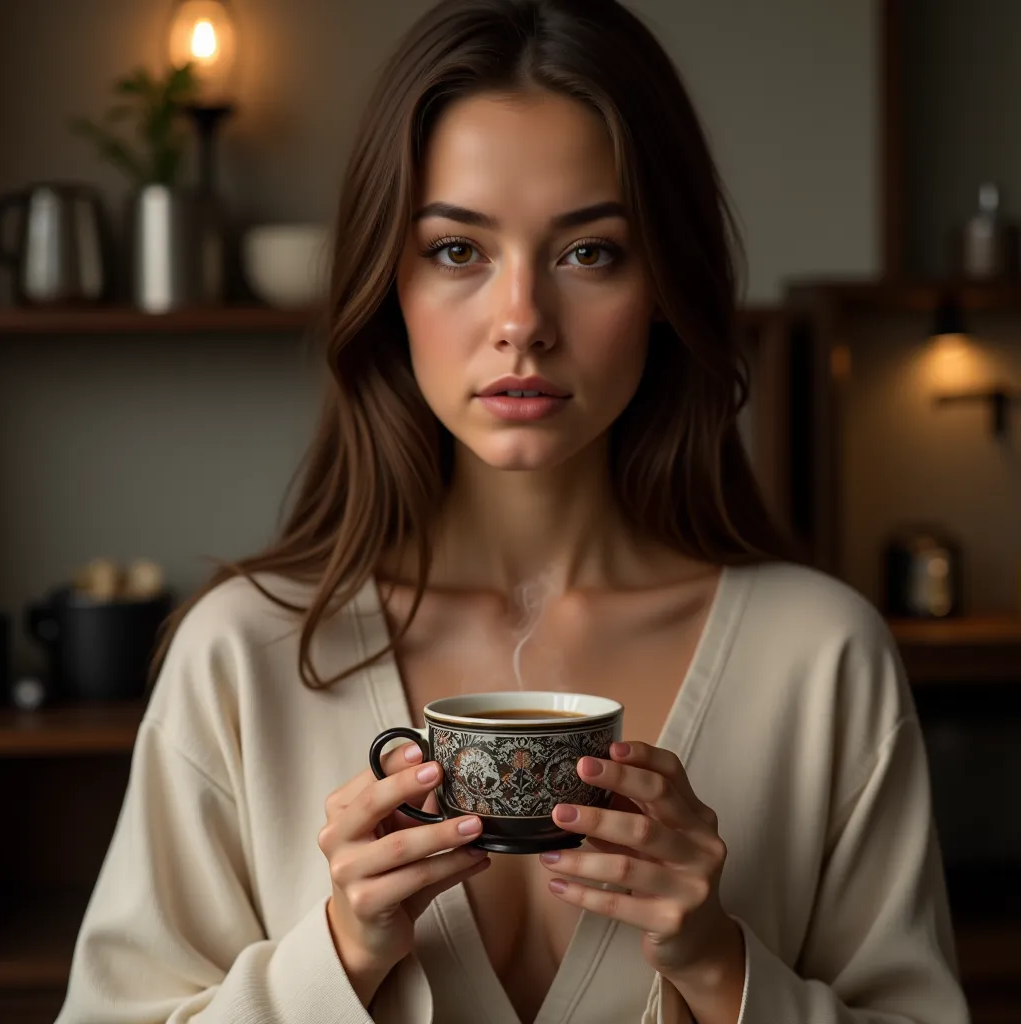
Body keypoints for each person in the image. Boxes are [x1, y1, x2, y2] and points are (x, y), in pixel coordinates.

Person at [55, 1, 969, 1022]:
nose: (522, 323)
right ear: (385, 282)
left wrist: (718, 964)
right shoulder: (245, 654)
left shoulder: (821, 656)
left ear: (665, 282)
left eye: (589, 253)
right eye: (457, 251)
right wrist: (341, 956)